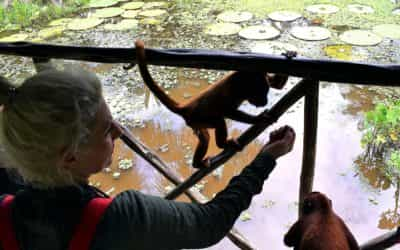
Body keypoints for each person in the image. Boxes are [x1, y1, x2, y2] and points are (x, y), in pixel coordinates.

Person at [0, 64, 296, 250]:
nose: (119, 131)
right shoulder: (123, 219)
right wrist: (266, 157)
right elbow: (210, 222)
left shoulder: (5, 207)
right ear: (69, 158)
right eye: (106, 130)